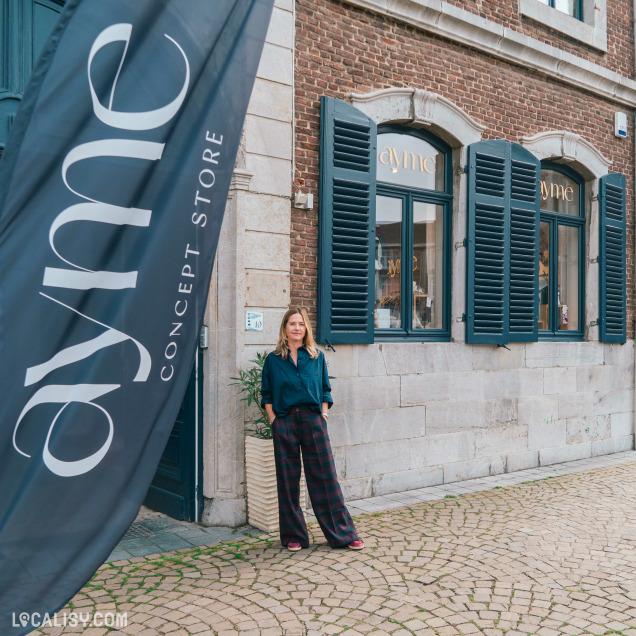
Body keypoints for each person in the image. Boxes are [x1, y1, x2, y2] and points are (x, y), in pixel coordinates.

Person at [260, 307, 363, 552]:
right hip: (285, 422)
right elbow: (266, 395)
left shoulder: (316, 357)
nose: (297, 328)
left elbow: (326, 389)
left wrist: (324, 414)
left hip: (313, 420)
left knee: (326, 478)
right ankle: (294, 536)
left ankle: (343, 534)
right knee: (288, 480)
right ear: (285, 328)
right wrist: (275, 421)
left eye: (301, 324)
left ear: (306, 329)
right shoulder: (273, 360)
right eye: (292, 323)